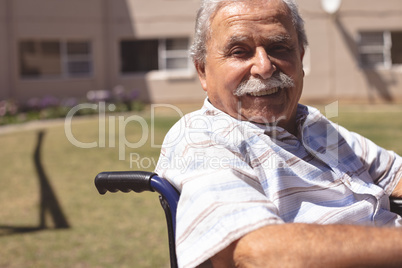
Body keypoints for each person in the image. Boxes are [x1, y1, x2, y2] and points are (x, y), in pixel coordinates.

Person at [155, 0, 402, 267]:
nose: (264, 66)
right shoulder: (201, 136)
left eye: (279, 48)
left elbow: (395, 174)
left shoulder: (312, 123)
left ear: (301, 58)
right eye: (239, 52)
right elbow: (255, 251)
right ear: (202, 70)